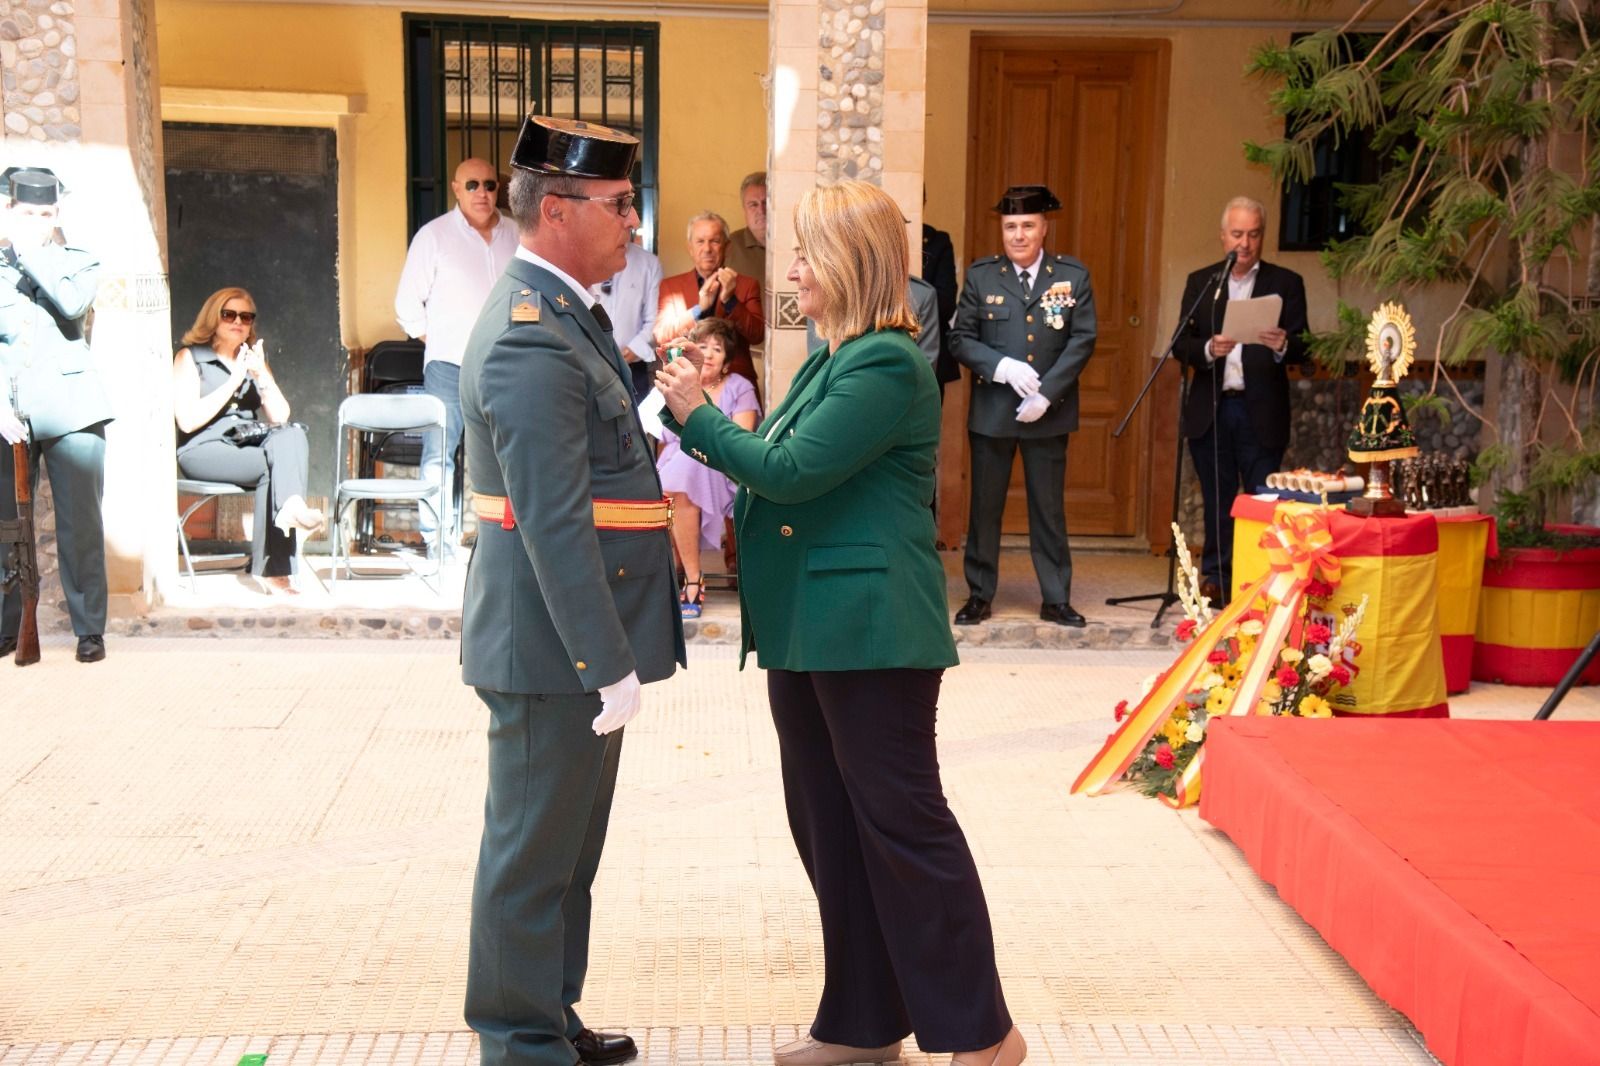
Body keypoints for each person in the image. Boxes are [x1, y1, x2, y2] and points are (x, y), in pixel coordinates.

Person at [656, 179, 1026, 1066]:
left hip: (869, 630)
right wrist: (704, 413)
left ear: (849, 261)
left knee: (902, 825)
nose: (787, 269)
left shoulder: (888, 362)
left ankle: (983, 1033)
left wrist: (698, 417)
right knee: (830, 824)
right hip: (813, 627)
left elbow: (787, 470)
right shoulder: (835, 353)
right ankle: (862, 1024)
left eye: (804, 253)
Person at [457, 114, 685, 1066]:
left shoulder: (566, 313)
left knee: (566, 857)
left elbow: (587, 458)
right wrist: (605, 661)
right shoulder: (528, 336)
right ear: (556, 210)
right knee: (529, 858)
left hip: (576, 640)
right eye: (619, 204)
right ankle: (517, 1043)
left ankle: (549, 1016)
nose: (632, 223)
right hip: (555, 645)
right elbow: (552, 521)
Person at [950, 184, 1097, 629]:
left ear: (1044, 228)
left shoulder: (1071, 275)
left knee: (1048, 508)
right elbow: (960, 338)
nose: (1018, 235)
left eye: (1027, 226)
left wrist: (1046, 392)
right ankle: (979, 594)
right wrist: (1002, 367)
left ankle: (1056, 597)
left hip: (1048, 413)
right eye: (1010, 226)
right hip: (994, 411)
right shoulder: (981, 276)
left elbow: (1082, 339)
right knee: (985, 506)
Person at [0, 166, 112, 664]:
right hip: (9, 415)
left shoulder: (79, 262)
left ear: (57, 215)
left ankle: (89, 630)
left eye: (45, 214)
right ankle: (8, 629)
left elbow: (70, 305)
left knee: (80, 527)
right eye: (27, 213)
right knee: (6, 526)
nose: (37, 221)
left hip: (71, 412)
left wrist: (28, 252)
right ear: (9, 211)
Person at [1175, 195, 1309, 604]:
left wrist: (1284, 343)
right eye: (1237, 234)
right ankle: (1216, 577)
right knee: (1217, 499)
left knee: (1260, 500)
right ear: (1223, 236)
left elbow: (1305, 346)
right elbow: (1181, 342)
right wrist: (1206, 350)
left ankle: (1256, 580)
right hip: (1212, 408)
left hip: (1260, 409)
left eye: (1253, 235)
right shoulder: (1203, 282)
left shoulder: (1285, 283)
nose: (1245, 244)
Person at [394, 156, 519, 557]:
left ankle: (502, 541)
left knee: (507, 453)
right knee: (440, 452)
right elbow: (407, 306)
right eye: (472, 185)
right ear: (455, 188)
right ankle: (437, 543)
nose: (482, 193)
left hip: (507, 365)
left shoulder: (518, 234)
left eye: (489, 185)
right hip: (449, 365)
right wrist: (444, 340)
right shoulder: (434, 236)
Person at [172, 288, 322, 593]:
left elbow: (280, 415)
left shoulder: (252, 359)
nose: (238, 322)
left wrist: (260, 375)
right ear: (213, 318)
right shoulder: (191, 357)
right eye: (229, 315)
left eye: (246, 317)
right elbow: (187, 420)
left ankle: (290, 509)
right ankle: (274, 568)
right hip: (204, 449)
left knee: (291, 433)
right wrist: (233, 380)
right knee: (275, 463)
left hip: (247, 445)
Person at [654, 316, 759, 618]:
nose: (709, 354)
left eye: (717, 348)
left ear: (727, 359)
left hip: (718, 465)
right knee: (668, 475)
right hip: (678, 469)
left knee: (680, 474)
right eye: (703, 346)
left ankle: (691, 579)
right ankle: (678, 574)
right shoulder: (678, 385)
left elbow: (741, 439)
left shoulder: (739, 386)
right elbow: (664, 441)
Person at [653, 211, 764, 374]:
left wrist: (730, 301)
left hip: (735, 384)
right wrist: (698, 309)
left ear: (727, 247)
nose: (707, 249)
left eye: (715, 241)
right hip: (687, 378)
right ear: (690, 248)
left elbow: (757, 335)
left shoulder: (747, 285)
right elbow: (662, 336)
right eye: (700, 241)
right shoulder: (671, 287)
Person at [593, 239, 661, 402]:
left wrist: (634, 349)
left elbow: (654, 318)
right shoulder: (582, 256)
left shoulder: (648, 263)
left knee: (636, 424)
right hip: (592, 365)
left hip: (633, 369)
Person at [725, 170, 768, 288]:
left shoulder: (796, 244)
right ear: (744, 210)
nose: (761, 211)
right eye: (753, 204)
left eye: (766, 203)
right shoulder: (728, 247)